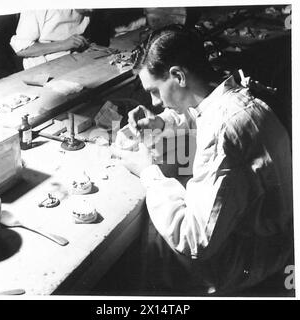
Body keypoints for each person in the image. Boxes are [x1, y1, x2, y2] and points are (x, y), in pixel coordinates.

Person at [111, 25, 293, 295]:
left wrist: (148, 171)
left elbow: (195, 241)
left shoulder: (221, 133)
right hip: (275, 237)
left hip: (251, 261)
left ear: (178, 76)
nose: (155, 102)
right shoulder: (237, 94)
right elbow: (199, 111)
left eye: (155, 91)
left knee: (151, 236)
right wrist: (162, 120)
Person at [10, 9, 92, 69]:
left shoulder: (89, 10)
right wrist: (63, 44)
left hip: (76, 61)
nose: (92, 10)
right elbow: (22, 50)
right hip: (43, 66)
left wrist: (83, 44)